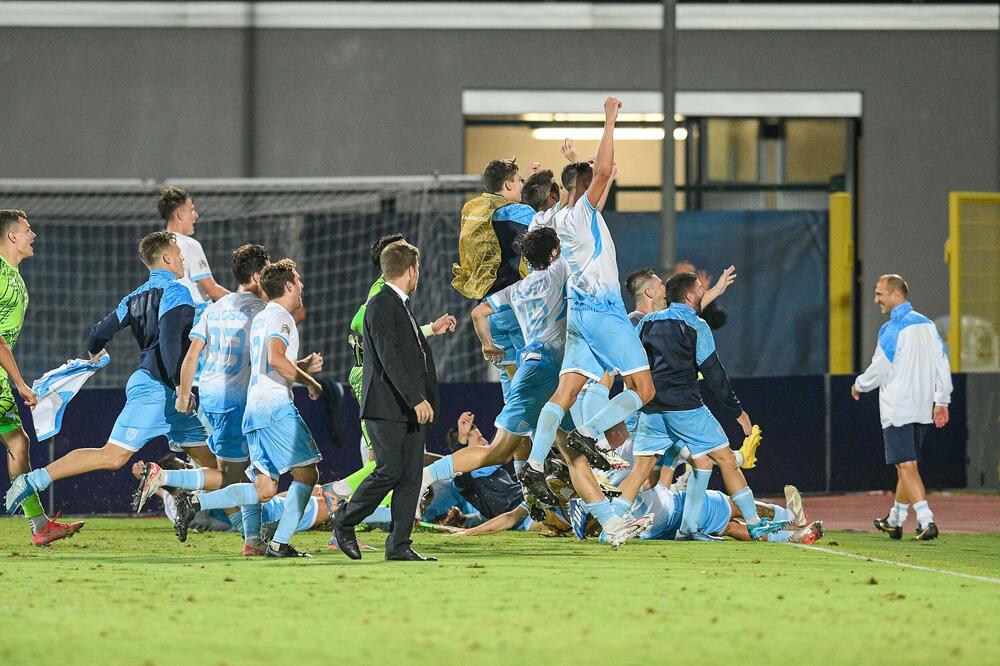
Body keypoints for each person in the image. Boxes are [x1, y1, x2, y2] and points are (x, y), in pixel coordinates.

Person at [5, 231, 209, 516]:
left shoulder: (134, 297)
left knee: (215, 467)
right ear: (166, 258)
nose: (182, 257)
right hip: (159, 389)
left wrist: (96, 352)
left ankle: (251, 535)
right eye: (178, 253)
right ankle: (32, 480)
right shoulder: (177, 291)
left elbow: (98, 334)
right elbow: (170, 341)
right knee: (113, 456)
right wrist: (180, 387)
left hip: (164, 388)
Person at [521, 97, 658, 499]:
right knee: (644, 390)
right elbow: (603, 171)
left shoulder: (556, 218)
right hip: (604, 314)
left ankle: (533, 464)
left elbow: (596, 173)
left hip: (578, 316)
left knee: (564, 394)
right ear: (583, 187)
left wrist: (577, 159)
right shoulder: (582, 214)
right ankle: (587, 434)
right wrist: (609, 120)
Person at [615, 271, 786, 541]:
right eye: (700, 288)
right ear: (691, 295)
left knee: (640, 471)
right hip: (687, 410)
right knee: (727, 459)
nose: (703, 292)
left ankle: (611, 523)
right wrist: (737, 411)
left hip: (651, 410)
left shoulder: (646, 323)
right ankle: (753, 522)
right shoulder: (697, 326)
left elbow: (632, 364)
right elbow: (715, 374)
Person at [173, 259, 325, 557]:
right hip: (274, 407)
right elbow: (276, 359)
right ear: (289, 285)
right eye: (299, 280)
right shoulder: (279, 315)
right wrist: (311, 382)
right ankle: (280, 544)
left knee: (264, 488)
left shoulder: (262, 316)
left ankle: (196, 503)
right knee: (308, 475)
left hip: (252, 409)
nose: (303, 286)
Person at [130, 244, 273, 554]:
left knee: (241, 476)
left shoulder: (214, 307)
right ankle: (175, 485)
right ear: (259, 274)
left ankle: (252, 541)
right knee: (245, 477)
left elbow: (192, 353)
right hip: (243, 403)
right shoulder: (264, 312)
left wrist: (184, 393)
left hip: (210, 399)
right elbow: (268, 360)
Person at [332, 240, 440, 562]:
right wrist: (416, 398)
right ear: (411, 270)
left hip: (406, 408)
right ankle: (344, 520)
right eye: (417, 268)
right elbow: (390, 359)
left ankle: (399, 545)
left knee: (411, 475)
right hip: (387, 406)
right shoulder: (380, 304)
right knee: (389, 470)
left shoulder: (400, 304)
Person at [0, 209, 84, 545]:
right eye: (27, 229)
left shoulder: (15, 277)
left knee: (18, 442)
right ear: (11, 236)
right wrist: (19, 382)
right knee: (17, 442)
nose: (33, 235)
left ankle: (39, 525)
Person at [853, 274, 951, 541]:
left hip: (898, 406)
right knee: (906, 467)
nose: (876, 300)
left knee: (906, 466)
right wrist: (942, 400)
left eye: (879, 294)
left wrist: (859, 385)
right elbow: (943, 363)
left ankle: (926, 520)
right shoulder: (928, 325)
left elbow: (880, 368)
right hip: (922, 407)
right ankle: (895, 520)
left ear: (896, 295)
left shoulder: (892, 329)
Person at [350, 233, 456, 462]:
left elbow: (398, 335)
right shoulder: (381, 290)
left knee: (401, 458)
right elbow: (358, 322)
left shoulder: (395, 293)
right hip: (373, 375)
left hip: (383, 374)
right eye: (401, 248)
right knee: (382, 460)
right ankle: (338, 493)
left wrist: (430, 329)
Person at [453, 158, 537, 396]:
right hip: (513, 305)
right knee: (532, 383)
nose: (522, 185)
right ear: (509, 185)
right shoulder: (518, 211)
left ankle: (510, 432)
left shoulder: (474, 210)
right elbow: (546, 225)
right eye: (519, 181)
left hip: (488, 311)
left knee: (511, 391)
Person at [159, 187, 229, 317]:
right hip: (195, 321)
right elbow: (212, 290)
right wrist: (242, 301)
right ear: (180, 214)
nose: (195, 215)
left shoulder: (157, 245)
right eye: (191, 210)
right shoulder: (189, 244)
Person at [672, 261, 733, 330]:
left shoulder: (698, 300)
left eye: (689, 277)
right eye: (681, 277)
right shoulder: (666, 300)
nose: (685, 282)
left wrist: (704, 295)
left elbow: (716, 321)